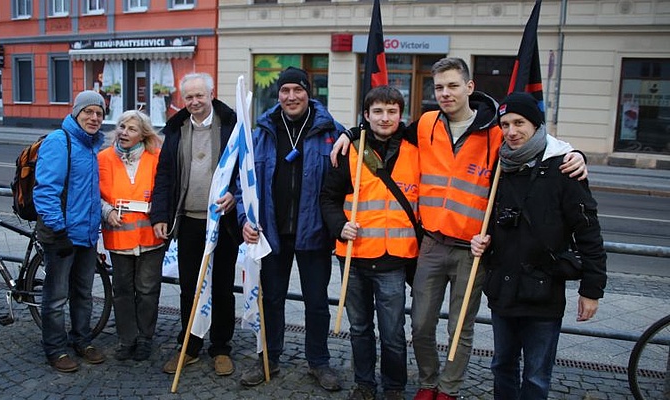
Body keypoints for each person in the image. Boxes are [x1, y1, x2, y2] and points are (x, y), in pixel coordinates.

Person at [330, 57, 587, 400]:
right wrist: (350, 134)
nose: (445, 93)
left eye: (452, 85)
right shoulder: (425, 124)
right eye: (439, 87)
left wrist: (574, 152)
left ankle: (448, 390)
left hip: (473, 248)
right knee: (420, 324)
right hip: (432, 244)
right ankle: (427, 382)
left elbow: (534, 141)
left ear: (469, 87)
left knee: (459, 328)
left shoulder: (496, 130)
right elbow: (380, 129)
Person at [470, 92, 607, 399]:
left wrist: (591, 290)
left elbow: (588, 233)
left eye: (519, 123)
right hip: (504, 288)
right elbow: (493, 221)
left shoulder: (564, 168)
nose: (511, 131)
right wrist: (482, 241)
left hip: (543, 290)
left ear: (535, 124)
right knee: (502, 365)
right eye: (505, 124)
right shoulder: (500, 167)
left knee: (536, 375)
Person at [238, 66, 343, 391]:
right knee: (270, 300)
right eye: (285, 91)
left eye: (297, 90)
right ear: (278, 94)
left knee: (315, 302)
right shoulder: (261, 131)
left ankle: (319, 362)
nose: (291, 96)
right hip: (271, 233)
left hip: (315, 233)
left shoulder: (331, 131)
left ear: (308, 93)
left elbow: (347, 184)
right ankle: (268, 357)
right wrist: (244, 220)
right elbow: (243, 183)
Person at [320, 86, 417, 400]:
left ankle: (394, 387)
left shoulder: (416, 147)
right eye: (378, 111)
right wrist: (339, 226)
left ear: (401, 114)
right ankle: (364, 384)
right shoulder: (350, 150)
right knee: (360, 329)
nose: (385, 117)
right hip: (354, 255)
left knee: (392, 333)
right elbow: (328, 199)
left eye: (391, 111)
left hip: (394, 259)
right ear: (366, 115)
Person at [150, 72, 240, 376]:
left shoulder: (231, 125)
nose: (194, 102)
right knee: (189, 286)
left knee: (223, 287)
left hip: (223, 223)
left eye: (200, 95)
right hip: (188, 220)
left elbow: (247, 169)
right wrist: (160, 216)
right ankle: (189, 344)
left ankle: (221, 346)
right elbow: (164, 175)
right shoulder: (176, 129)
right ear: (182, 99)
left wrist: (235, 197)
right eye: (188, 97)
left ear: (211, 93)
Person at [34, 90, 107, 373]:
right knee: (55, 297)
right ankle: (54, 349)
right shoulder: (59, 141)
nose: (94, 117)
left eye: (99, 113)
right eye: (89, 112)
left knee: (84, 293)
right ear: (76, 113)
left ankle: (82, 340)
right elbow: (46, 191)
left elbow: (89, 195)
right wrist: (59, 231)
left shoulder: (91, 146)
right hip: (61, 235)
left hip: (86, 234)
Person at [98, 110, 165, 362]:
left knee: (148, 291)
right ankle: (127, 339)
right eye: (121, 126)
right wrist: (107, 211)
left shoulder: (156, 157)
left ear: (143, 135)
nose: (124, 132)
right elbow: (95, 194)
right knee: (122, 291)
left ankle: (145, 338)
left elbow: (165, 191)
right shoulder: (103, 158)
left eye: (131, 129)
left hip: (151, 238)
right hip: (119, 238)